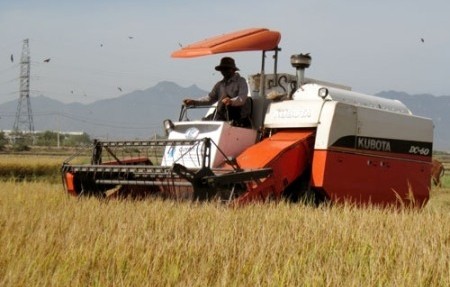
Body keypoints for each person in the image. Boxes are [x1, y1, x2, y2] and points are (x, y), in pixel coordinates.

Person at [183, 57, 251, 125]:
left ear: (233, 70)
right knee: (204, 122)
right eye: (222, 69)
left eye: (226, 69)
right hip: (221, 115)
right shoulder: (219, 85)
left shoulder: (241, 81)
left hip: (236, 117)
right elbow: (210, 99)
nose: (224, 71)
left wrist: (231, 101)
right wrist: (194, 102)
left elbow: (242, 98)